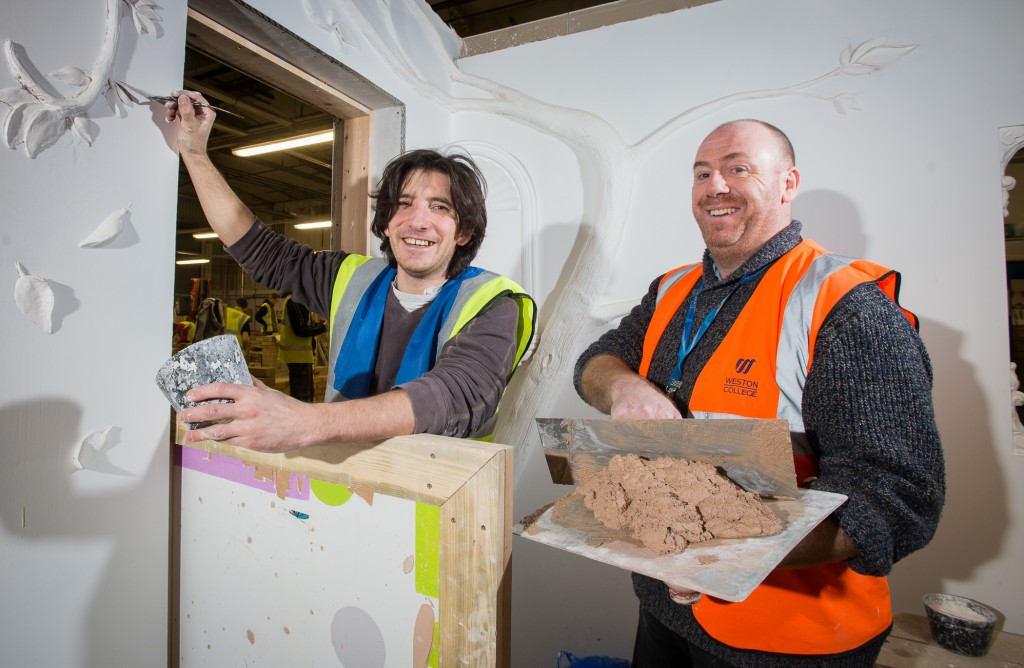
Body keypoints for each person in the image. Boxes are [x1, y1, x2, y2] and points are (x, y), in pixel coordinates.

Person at [574, 119, 945, 667]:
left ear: (787, 182)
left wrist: (723, 546)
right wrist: (625, 389)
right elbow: (594, 364)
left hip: (791, 638)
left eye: (737, 168)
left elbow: (899, 498)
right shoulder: (672, 290)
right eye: (702, 173)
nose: (715, 186)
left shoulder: (848, 308)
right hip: (665, 607)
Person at [166, 90, 536, 453]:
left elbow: (454, 396)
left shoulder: (493, 303)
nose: (418, 221)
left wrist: (302, 422)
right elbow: (260, 250)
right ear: (387, 223)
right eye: (404, 204)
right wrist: (195, 153)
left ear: (465, 232)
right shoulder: (352, 278)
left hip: (440, 502)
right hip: (346, 493)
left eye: (440, 207)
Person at [278, 294, 326, 402]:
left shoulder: (300, 300)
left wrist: (320, 325)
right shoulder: (297, 301)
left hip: (301, 356)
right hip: (298, 356)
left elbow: (305, 324)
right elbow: (300, 330)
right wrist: (323, 328)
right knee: (303, 397)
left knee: (301, 396)